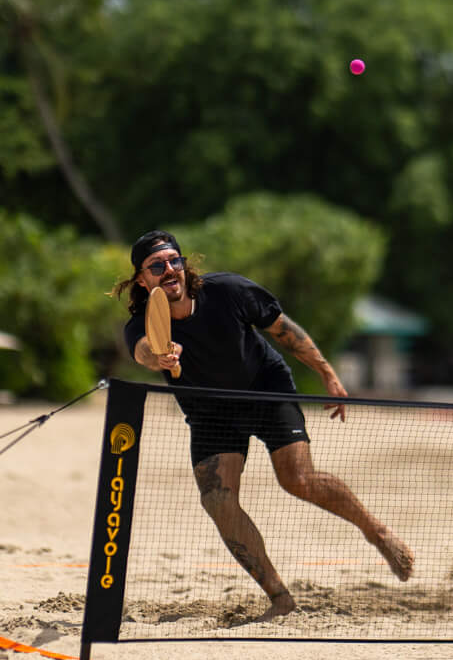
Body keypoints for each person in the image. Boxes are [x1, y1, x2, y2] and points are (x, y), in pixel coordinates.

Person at [111, 230, 414, 619]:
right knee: (217, 500)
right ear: (142, 279)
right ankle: (280, 599)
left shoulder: (229, 291)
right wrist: (161, 355)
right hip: (210, 411)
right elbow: (143, 354)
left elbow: (283, 329)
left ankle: (377, 532)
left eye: (174, 260)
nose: (169, 269)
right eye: (157, 265)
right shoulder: (142, 325)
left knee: (297, 480)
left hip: (265, 389)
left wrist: (327, 374)